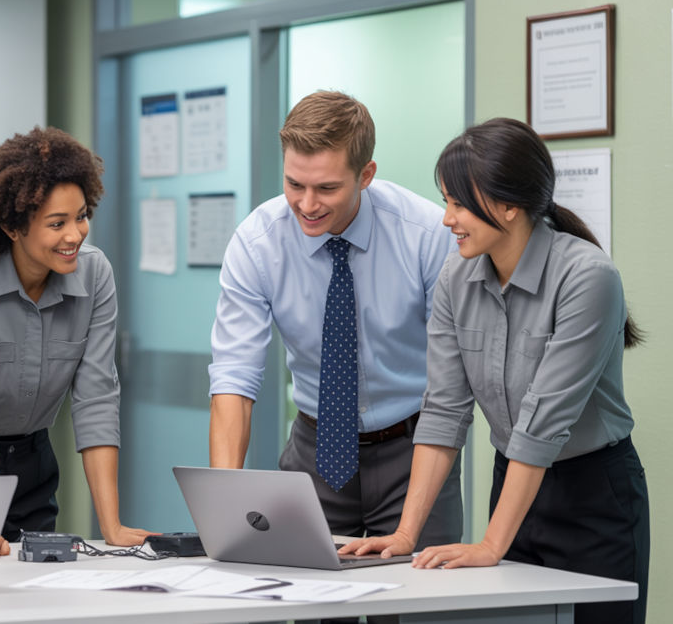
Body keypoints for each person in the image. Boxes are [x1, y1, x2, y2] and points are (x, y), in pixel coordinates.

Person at [342, 117, 649, 624]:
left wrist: (490, 545)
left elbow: (542, 426)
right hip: (515, 485)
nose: (447, 219)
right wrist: (405, 534)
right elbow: (443, 410)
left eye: (459, 203)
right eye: (445, 201)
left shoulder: (587, 277)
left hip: (596, 497)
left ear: (509, 206)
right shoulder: (455, 276)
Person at [208, 91, 463, 549]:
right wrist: (227, 499)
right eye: (294, 185)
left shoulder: (426, 236)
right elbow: (234, 378)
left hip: (414, 449)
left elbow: (452, 380)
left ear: (366, 175)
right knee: (309, 602)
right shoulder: (257, 243)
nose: (307, 204)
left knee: (415, 607)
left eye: (327, 188)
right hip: (315, 449)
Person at [0, 126, 154, 556]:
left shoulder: (95, 275)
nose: (75, 235)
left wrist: (110, 524)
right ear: (11, 227)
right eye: (57, 224)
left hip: (31, 462)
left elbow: (95, 396)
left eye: (81, 216)